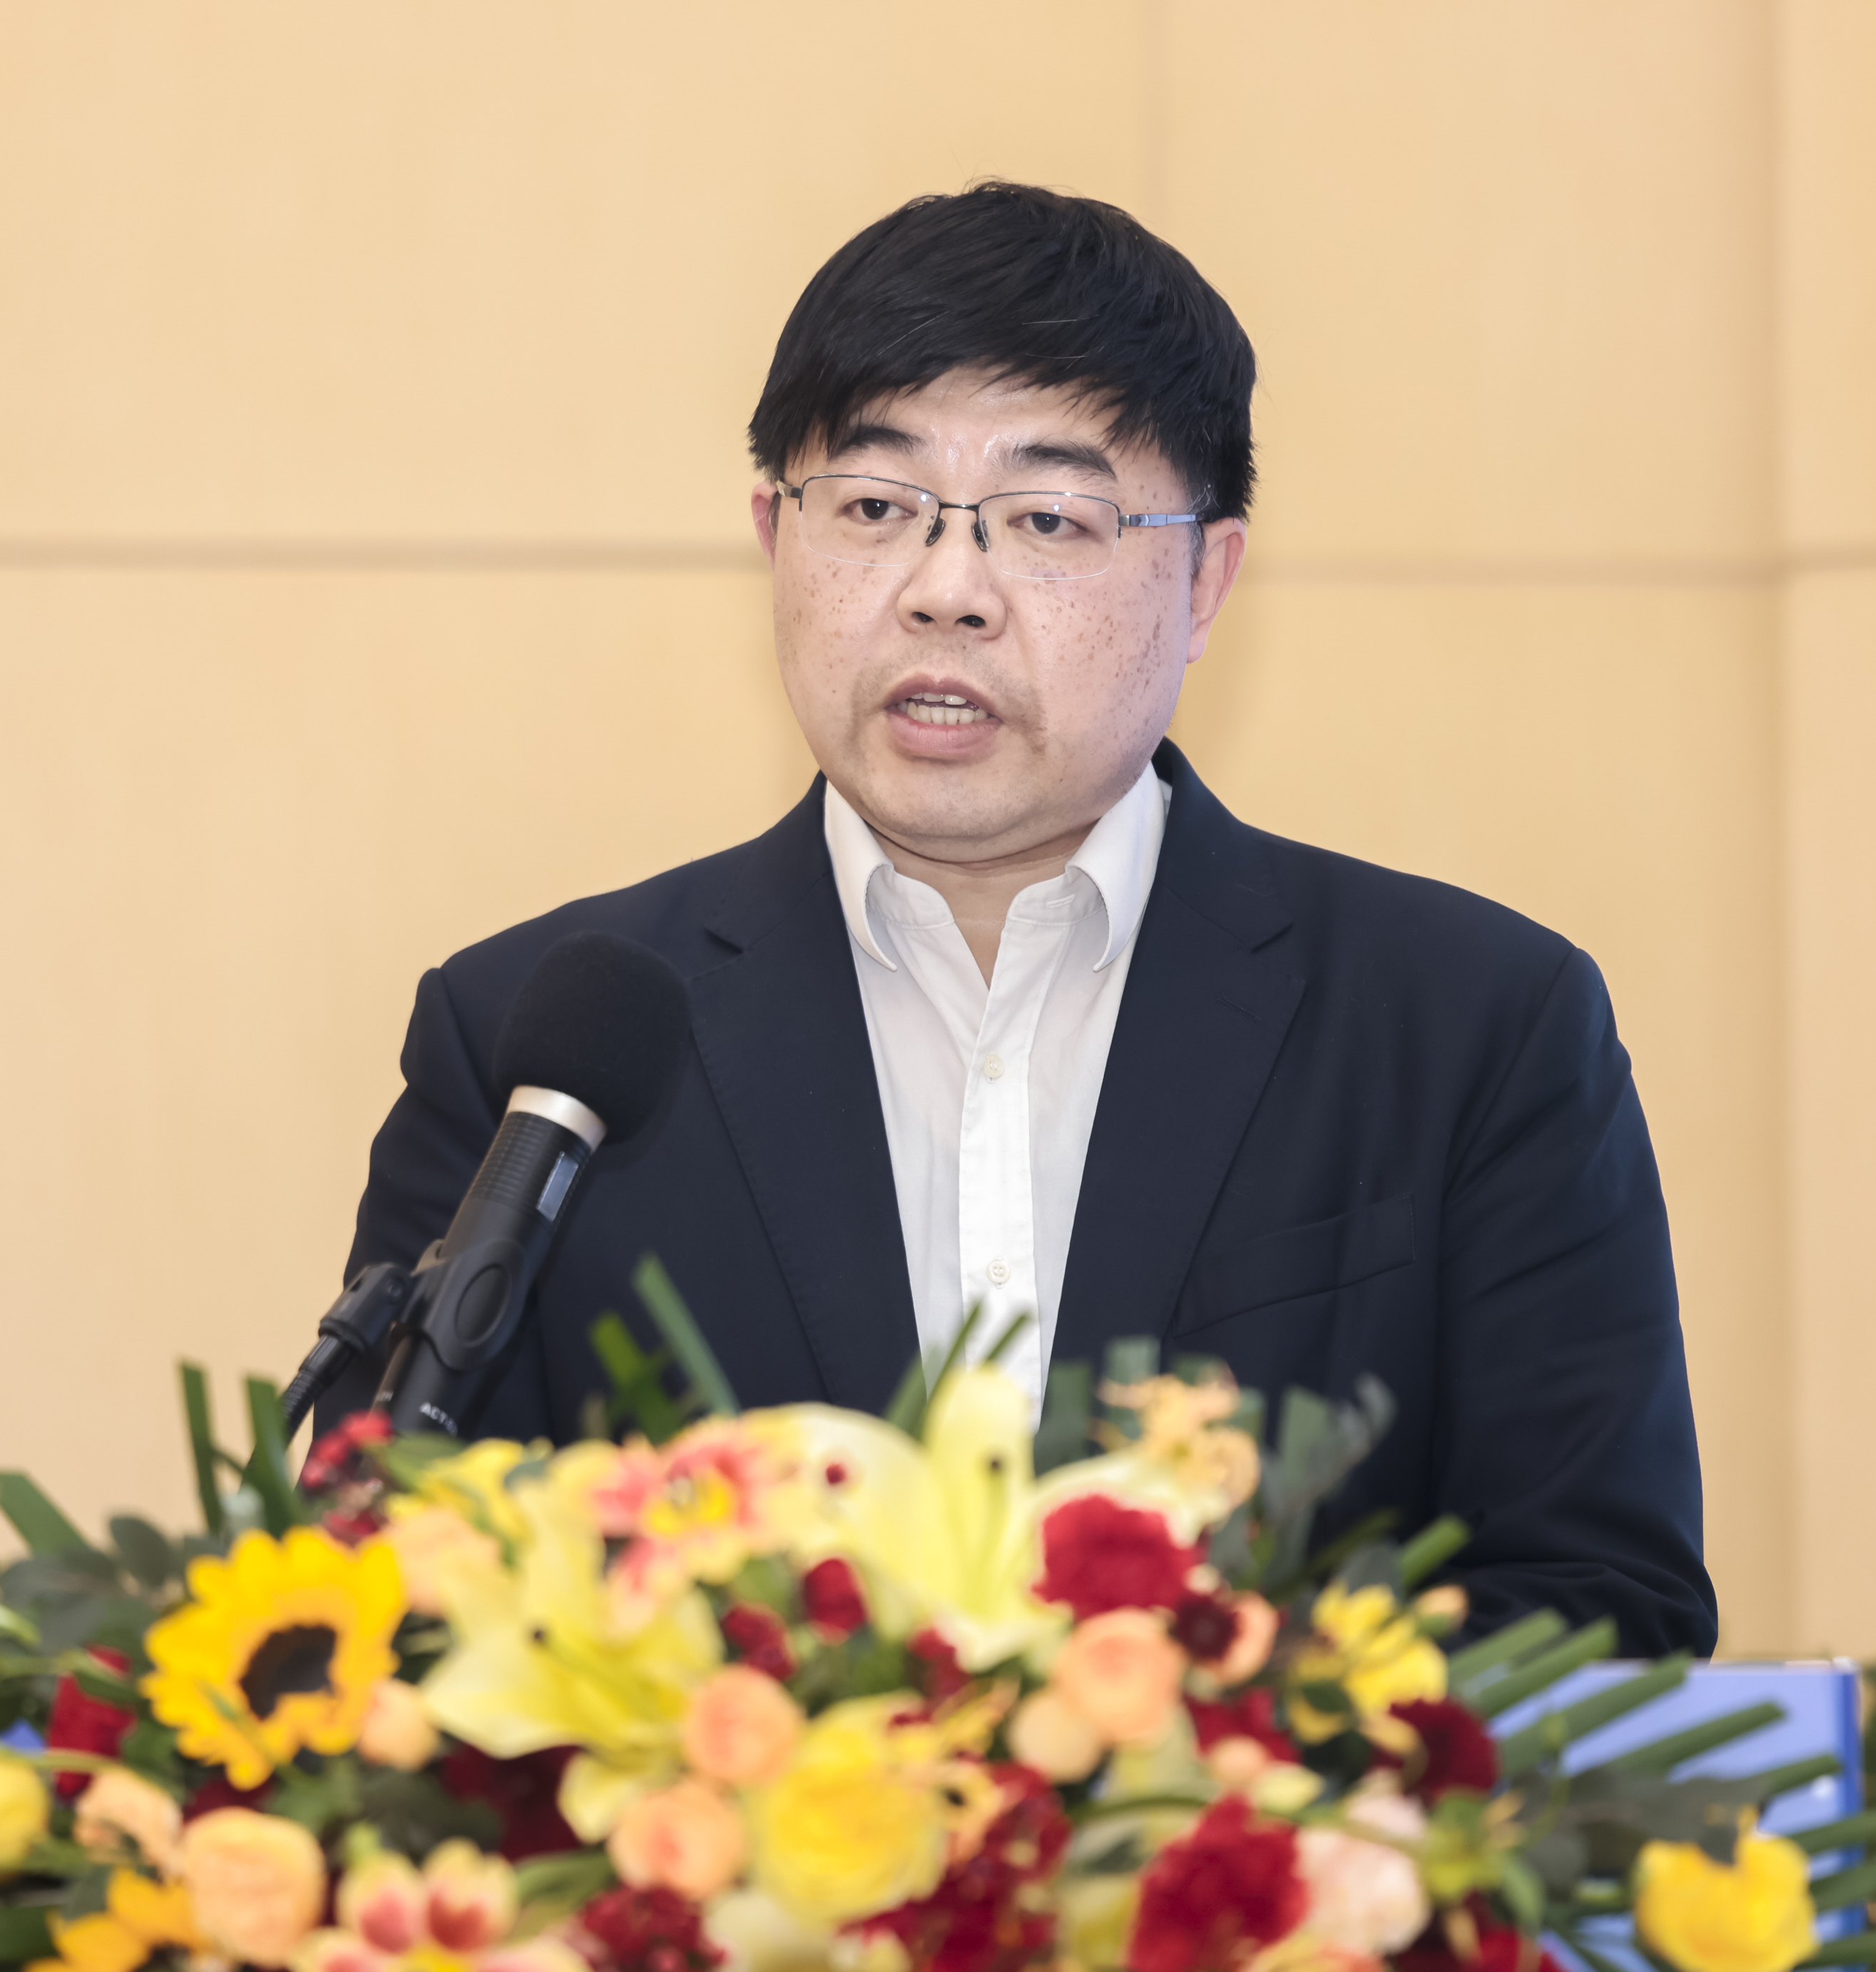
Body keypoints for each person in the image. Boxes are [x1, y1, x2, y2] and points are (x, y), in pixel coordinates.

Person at [337, 183, 1714, 1656]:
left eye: (1049, 519)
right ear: (774, 538)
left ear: (1207, 578)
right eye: (875, 509)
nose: (947, 591)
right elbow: (404, 1604)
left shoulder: (1472, 1031)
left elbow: (1598, 1619)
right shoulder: (536, 1050)